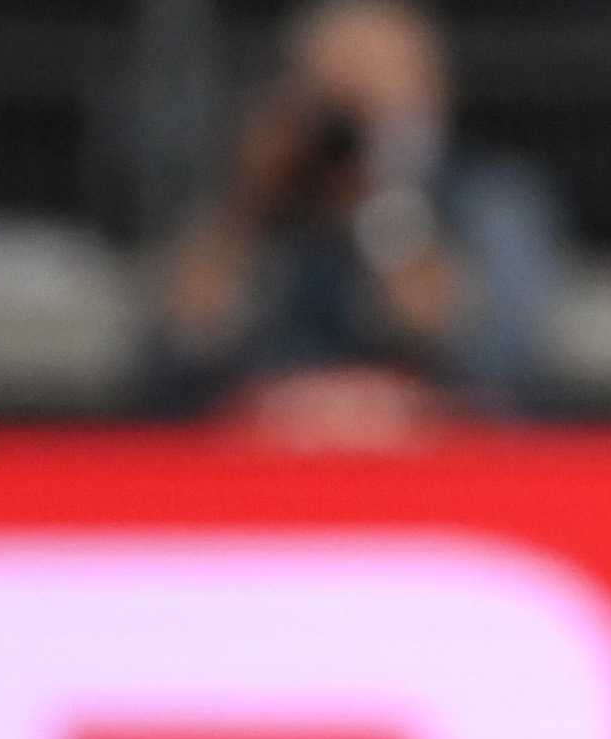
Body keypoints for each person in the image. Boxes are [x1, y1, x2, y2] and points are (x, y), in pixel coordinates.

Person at [145, 0, 558, 435]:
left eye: (373, 76)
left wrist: (380, 196)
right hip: (267, 461)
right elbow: (177, 350)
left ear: (430, 87)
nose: (351, 108)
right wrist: (248, 202)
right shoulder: (267, 203)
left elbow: (491, 361)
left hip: (435, 462)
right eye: (334, 84)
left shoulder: (490, 199)